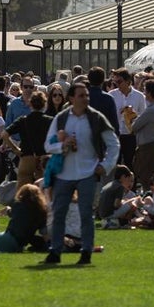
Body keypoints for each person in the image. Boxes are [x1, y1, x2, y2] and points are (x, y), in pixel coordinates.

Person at [43, 82, 119, 265]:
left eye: (87, 95)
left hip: (87, 173)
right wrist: (63, 145)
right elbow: (47, 145)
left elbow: (114, 143)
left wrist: (106, 165)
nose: (85, 99)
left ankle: (86, 251)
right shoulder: (61, 118)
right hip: (64, 174)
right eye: (81, 95)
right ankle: (55, 251)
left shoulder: (96, 118)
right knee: (59, 212)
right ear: (71, 98)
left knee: (86, 213)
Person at [3, 91, 54, 188]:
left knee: (23, 193)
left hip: (26, 157)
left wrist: (15, 150)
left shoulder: (23, 120)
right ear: (45, 104)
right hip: (43, 159)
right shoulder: (50, 120)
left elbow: (5, 134)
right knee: (43, 191)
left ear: (30, 104)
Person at [130, 80, 154, 191]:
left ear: (150, 93)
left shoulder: (151, 110)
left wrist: (132, 117)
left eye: (145, 91)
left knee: (148, 181)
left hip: (147, 150)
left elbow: (134, 127)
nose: (144, 93)